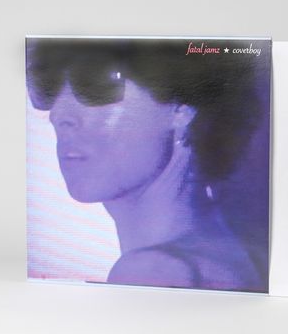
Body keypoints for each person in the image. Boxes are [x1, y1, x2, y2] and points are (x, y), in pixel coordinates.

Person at [26, 38, 268, 292]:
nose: (58, 114)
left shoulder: (155, 270)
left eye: (98, 81)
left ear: (182, 109)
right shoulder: (230, 252)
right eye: (47, 86)